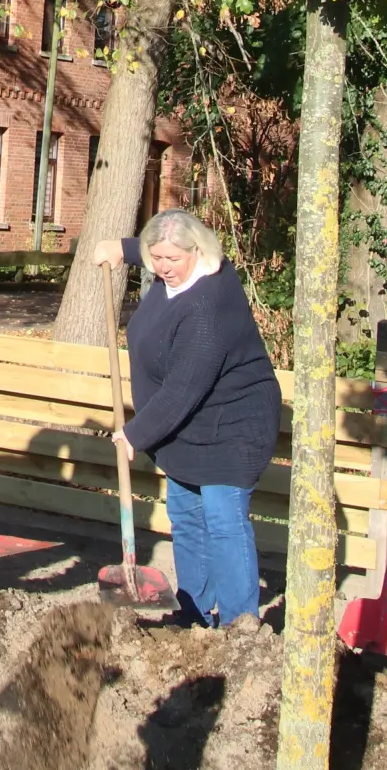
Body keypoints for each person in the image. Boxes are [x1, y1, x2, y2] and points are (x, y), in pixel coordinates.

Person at [92, 209, 281, 630]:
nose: (162, 268)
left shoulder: (209, 308)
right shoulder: (176, 271)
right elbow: (162, 248)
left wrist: (135, 433)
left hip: (232, 428)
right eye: (155, 258)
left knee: (223, 522)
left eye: (171, 260)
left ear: (198, 252)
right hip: (185, 429)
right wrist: (123, 251)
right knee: (187, 518)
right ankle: (195, 613)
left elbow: (184, 389)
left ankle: (239, 625)